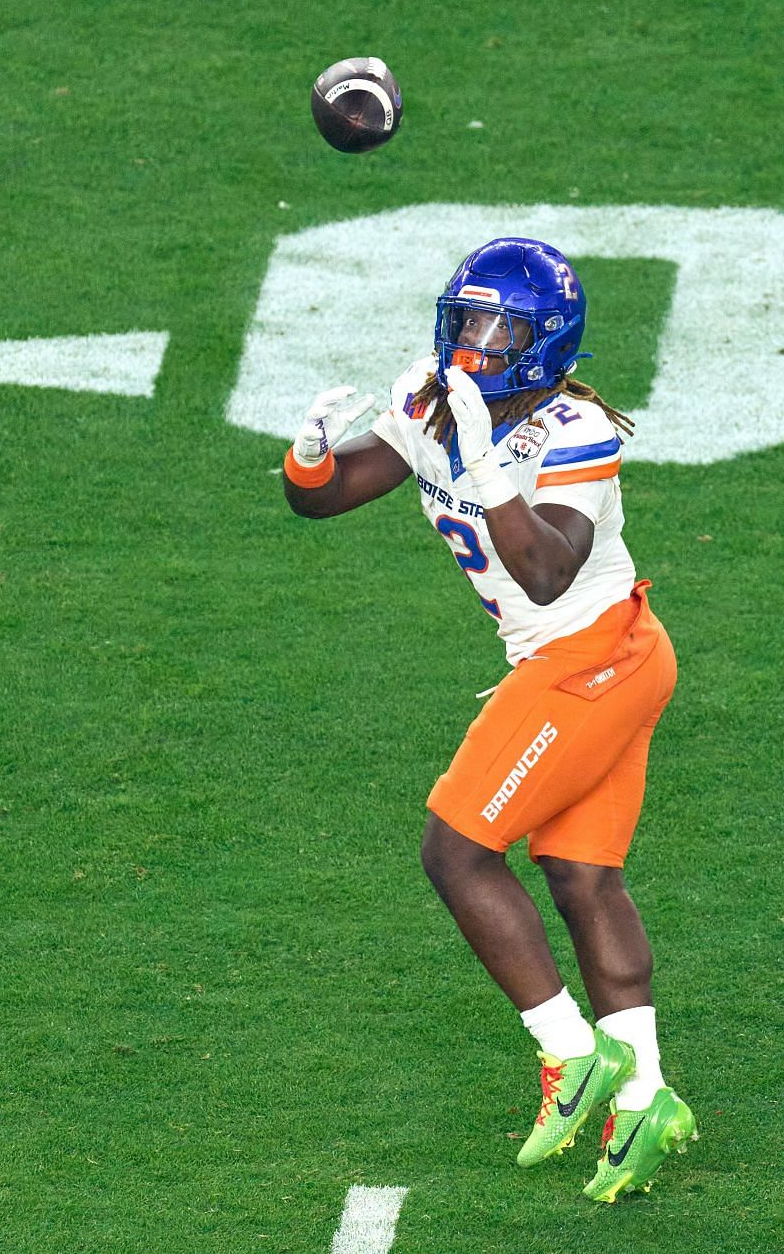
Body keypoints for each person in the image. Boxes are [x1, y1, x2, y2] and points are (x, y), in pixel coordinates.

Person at [279, 237, 694, 1203]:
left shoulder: (577, 429)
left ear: (546, 343)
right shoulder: (436, 396)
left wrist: (479, 453)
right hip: (596, 656)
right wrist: (308, 460)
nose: (476, 340)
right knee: (582, 874)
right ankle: (647, 1097)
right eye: (467, 318)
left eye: (500, 326)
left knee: (456, 851)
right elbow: (337, 493)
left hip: (590, 658)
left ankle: (569, 1052)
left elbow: (545, 566)